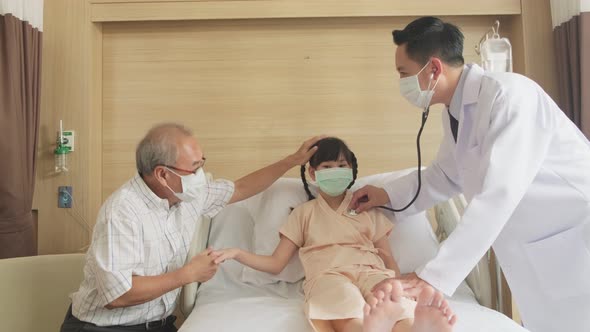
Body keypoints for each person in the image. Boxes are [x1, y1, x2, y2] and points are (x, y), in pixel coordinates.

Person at [349, 16, 590, 332]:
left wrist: (432, 275)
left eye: (404, 74)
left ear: (434, 69)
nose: (402, 84)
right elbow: (444, 177)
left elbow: (499, 193)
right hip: (540, 253)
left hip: (574, 235)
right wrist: (387, 194)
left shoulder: (510, 96)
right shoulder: (456, 112)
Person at [60, 123, 323, 332]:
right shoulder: (122, 211)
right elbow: (118, 295)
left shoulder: (186, 196)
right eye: (195, 168)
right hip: (103, 328)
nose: (201, 175)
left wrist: (292, 160)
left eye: (202, 163)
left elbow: (241, 188)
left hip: (159, 325)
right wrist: (188, 274)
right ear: (163, 174)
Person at [212, 137, 456, 332]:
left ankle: (412, 327)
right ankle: (369, 328)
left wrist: (397, 283)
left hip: (371, 271)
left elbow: (387, 257)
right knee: (345, 304)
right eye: (327, 167)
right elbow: (276, 263)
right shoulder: (303, 214)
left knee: (392, 301)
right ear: (313, 174)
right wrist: (237, 253)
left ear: (351, 170)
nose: (335, 171)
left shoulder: (366, 206)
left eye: (342, 166)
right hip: (328, 275)